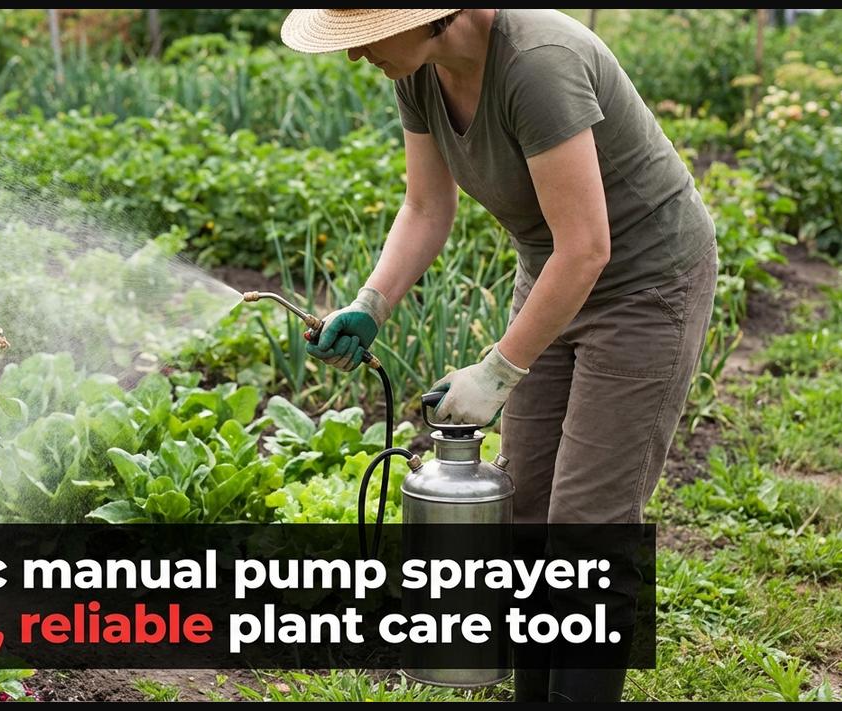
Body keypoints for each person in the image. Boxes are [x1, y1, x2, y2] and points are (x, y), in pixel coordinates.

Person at [282, 9, 718, 702]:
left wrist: (498, 369)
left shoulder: (537, 63)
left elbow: (588, 246)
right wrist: (370, 302)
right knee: (522, 505)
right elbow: (426, 207)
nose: (353, 56)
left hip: (644, 282)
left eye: (362, 36)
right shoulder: (416, 70)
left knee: (586, 529)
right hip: (552, 273)